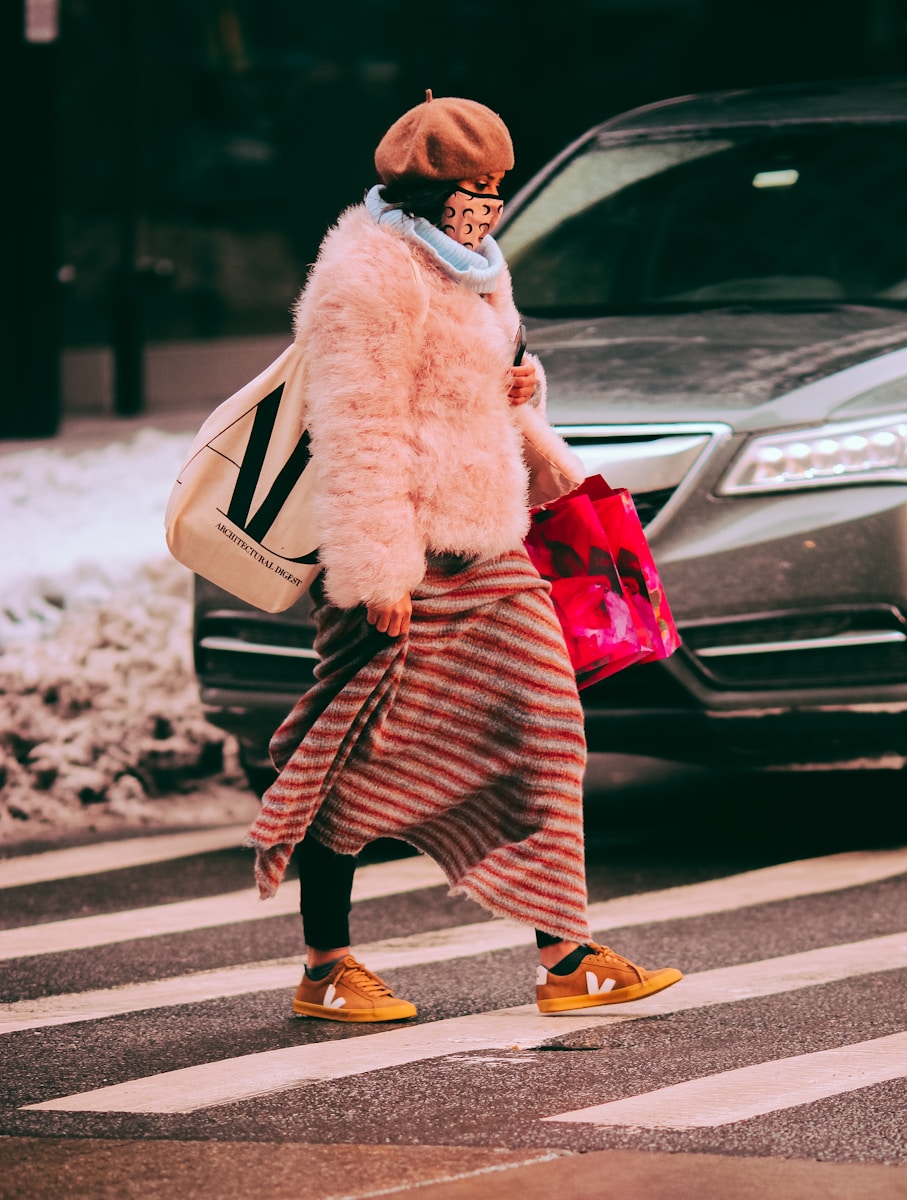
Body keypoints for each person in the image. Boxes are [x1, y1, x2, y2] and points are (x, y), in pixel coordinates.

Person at [244, 91, 683, 1022]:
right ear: (426, 189)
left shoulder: (474, 265)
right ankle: (326, 965)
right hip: (401, 557)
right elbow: (357, 428)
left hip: (488, 541)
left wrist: (523, 379)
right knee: (356, 764)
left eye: (495, 186)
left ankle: (565, 956)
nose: (487, 203)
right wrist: (377, 574)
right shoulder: (366, 275)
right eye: (474, 188)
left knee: (548, 731)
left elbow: (495, 373)